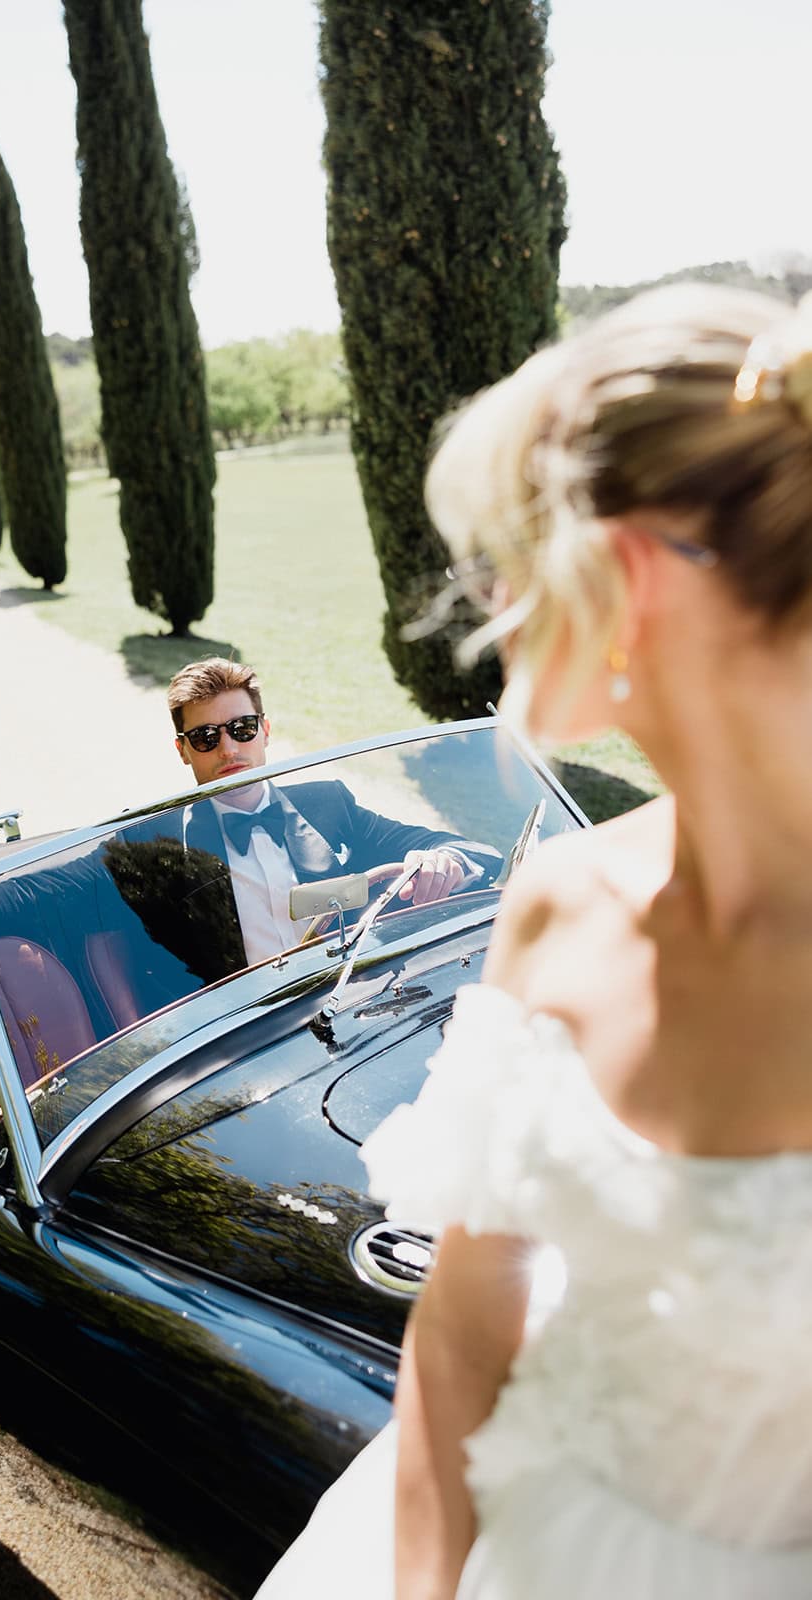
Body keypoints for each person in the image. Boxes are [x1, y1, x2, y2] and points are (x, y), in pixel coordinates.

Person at [254, 283, 812, 1600]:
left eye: (500, 556)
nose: (485, 605)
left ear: (614, 576)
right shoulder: (556, 896)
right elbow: (459, 1332)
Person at [0, 656, 490, 1023]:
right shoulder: (150, 847)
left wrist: (444, 859)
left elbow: (453, 848)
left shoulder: (327, 804)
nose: (229, 748)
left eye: (242, 729)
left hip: (356, 1012)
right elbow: (26, 895)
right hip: (235, 1041)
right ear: (183, 752)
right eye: (206, 737)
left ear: (265, 730)